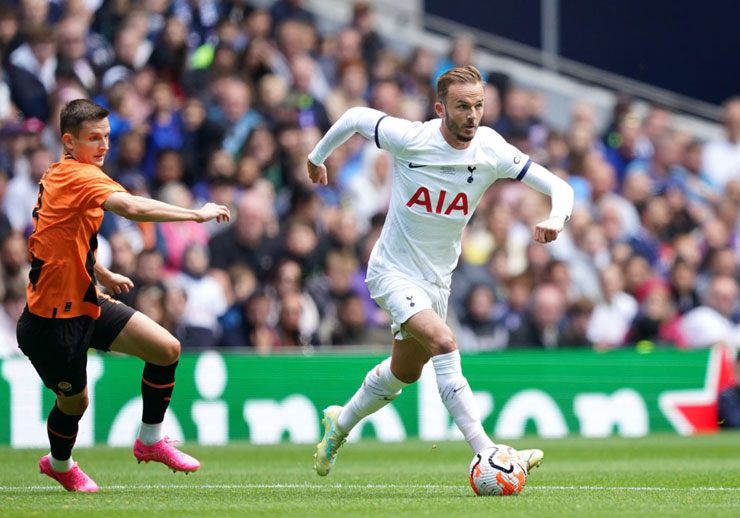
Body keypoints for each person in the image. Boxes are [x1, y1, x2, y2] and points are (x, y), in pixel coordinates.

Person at [306, 65, 573, 477]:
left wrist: (557, 217)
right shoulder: (413, 138)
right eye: (462, 106)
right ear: (440, 107)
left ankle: (338, 425)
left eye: (479, 106)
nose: (472, 115)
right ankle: (490, 453)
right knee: (444, 343)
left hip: (437, 280)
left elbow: (561, 187)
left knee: (404, 372)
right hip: (391, 271)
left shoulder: (491, 149)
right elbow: (356, 117)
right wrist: (316, 157)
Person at [16, 99, 231, 492]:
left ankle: (150, 441)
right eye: (93, 138)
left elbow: (58, 237)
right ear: (69, 141)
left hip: (86, 300)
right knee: (75, 405)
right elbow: (131, 207)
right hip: (50, 323)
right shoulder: (79, 177)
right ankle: (59, 463)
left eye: (107, 137)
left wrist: (100, 270)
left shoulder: (64, 175)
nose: (103, 146)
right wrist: (195, 214)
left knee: (166, 348)